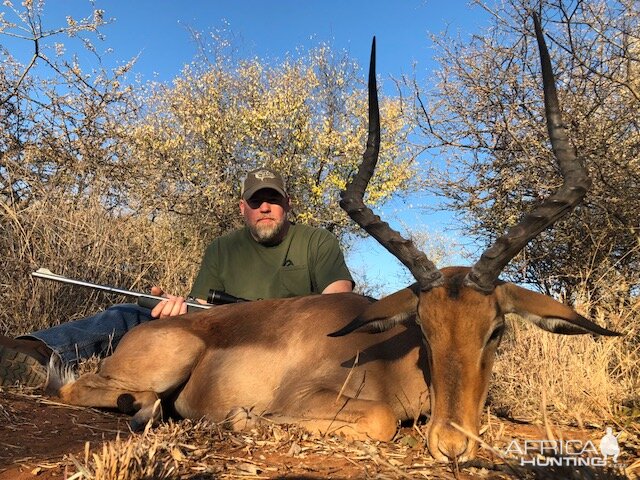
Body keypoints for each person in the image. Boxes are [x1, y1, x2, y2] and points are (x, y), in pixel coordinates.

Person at [0, 167, 354, 387]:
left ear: (288, 204)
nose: (265, 207)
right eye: (256, 200)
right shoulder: (222, 248)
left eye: (273, 200)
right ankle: (34, 351)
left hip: (289, 342)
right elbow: (202, 306)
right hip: (224, 334)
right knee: (132, 315)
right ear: (242, 208)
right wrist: (175, 307)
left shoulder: (316, 241)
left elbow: (339, 301)